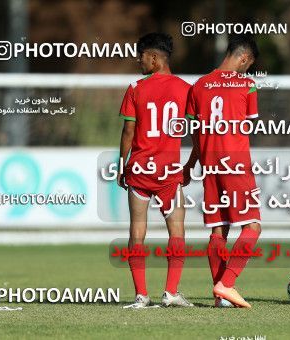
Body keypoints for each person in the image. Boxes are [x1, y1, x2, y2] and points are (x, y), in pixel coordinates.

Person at [184, 35, 261, 308]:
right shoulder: (247, 85)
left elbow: (195, 132)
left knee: (219, 231)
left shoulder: (198, 86)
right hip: (236, 164)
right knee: (252, 226)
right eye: (248, 65)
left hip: (210, 165)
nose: (248, 70)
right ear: (244, 58)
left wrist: (191, 165)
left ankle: (220, 299)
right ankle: (226, 284)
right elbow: (248, 127)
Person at [118, 32, 193, 308]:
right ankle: (171, 292)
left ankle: (141, 296)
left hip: (139, 170)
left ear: (154, 57)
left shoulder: (136, 88)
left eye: (141, 58)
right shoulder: (186, 89)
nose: (139, 62)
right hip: (169, 173)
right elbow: (197, 132)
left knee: (137, 232)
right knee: (177, 232)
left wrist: (120, 164)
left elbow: (128, 130)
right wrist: (191, 163)